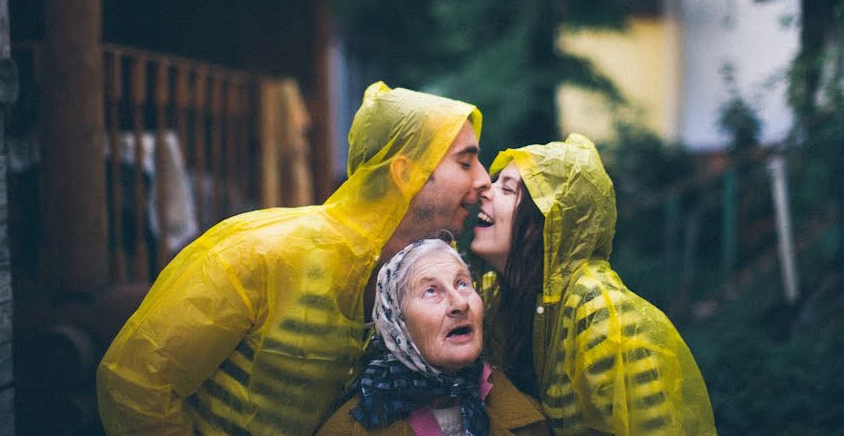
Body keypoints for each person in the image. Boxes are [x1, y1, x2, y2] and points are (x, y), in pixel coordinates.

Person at [96, 82, 491, 435]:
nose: (483, 180)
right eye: (465, 161)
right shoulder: (260, 252)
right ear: (406, 172)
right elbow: (134, 383)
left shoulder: (430, 274)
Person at [471, 133, 716, 435]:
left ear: (549, 222)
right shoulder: (499, 297)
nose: (484, 190)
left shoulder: (605, 318)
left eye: (507, 189)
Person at [318, 238, 549, 436]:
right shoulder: (349, 428)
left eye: (462, 284)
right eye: (431, 291)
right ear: (397, 324)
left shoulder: (529, 416)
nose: (459, 303)